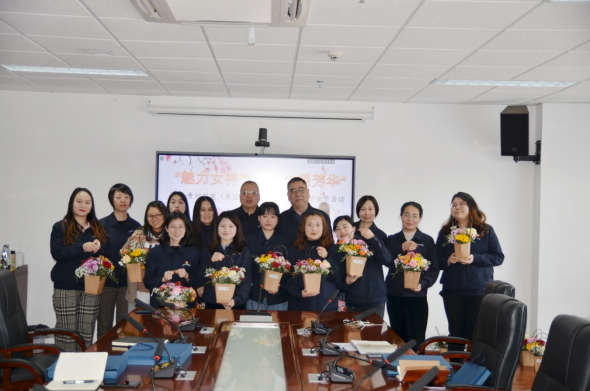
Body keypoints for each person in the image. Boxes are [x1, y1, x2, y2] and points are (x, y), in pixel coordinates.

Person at [436, 192, 504, 350]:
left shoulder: (485, 230)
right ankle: (455, 369)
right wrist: (448, 260)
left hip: (478, 291)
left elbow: (498, 257)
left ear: (471, 206)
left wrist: (476, 258)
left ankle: (474, 372)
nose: (457, 207)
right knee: (455, 334)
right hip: (452, 291)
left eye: (461, 203)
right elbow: (436, 261)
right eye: (454, 204)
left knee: (477, 335)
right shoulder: (446, 232)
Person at [50, 187, 107, 351]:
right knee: (66, 333)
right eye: (79, 201)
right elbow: (57, 253)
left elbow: (105, 255)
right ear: (72, 203)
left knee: (86, 333)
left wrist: (99, 248)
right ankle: (64, 373)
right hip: (65, 287)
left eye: (87, 202)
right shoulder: (60, 227)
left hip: (91, 287)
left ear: (91, 205)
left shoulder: (97, 227)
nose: (83, 205)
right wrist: (81, 247)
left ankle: (85, 372)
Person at [385, 202, 439, 347]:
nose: (410, 219)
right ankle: (397, 369)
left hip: (417, 297)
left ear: (420, 218)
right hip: (395, 296)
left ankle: (415, 368)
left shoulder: (427, 241)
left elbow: (434, 268)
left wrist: (423, 284)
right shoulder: (392, 239)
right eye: (406, 215)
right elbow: (386, 260)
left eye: (415, 216)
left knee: (417, 338)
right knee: (397, 338)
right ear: (401, 216)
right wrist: (400, 248)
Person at [97, 184, 141, 339]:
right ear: (112, 200)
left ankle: (121, 358)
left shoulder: (136, 227)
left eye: (126, 197)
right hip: (105, 284)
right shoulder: (101, 225)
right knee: (104, 326)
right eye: (118, 197)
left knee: (124, 326)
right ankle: (103, 358)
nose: (123, 200)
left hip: (127, 286)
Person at [334, 215, 392, 319]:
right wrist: (346, 281)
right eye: (337, 229)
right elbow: (335, 282)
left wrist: (372, 238)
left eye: (345, 226)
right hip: (351, 304)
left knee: (372, 335)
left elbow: (387, 259)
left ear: (354, 228)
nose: (341, 231)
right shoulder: (336, 251)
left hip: (374, 302)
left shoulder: (367, 243)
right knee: (351, 335)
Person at [285, 211, 342, 311]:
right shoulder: (294, 250)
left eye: (318, 225)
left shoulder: (332, 248)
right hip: (300, 306)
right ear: (303, 227)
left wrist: (327, 257)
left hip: (326, 308)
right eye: (309, 225)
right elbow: (288, 280)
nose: (314, 229)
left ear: (323, 227)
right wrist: (299, 293)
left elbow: (338, 278)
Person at [196, 212, 253, 309]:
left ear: (237, 228)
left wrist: (236, 300)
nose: (226, 230)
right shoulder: (208, 251)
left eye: (231, 226)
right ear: (217, 228)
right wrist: (211, 261)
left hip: (236, 304)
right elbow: (200, 279)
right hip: (212, 303)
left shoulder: (243, 250)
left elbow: (246, 279)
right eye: (223, 226)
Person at [143, 212, 200, 308]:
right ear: (166, 228)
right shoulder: (155, 252)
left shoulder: (193, 252)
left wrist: (187, 276)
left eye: (181, 227)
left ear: (186, 228)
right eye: (173, 227)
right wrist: (162, 279)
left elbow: (199, 281)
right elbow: (147, 282)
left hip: (186, 306)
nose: (177, 230)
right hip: (160, 306)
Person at [124, 201, 169, 312]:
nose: (154, 218)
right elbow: (124, 256)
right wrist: (131, 242)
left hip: (163, 291)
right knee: (136, 327)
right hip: (138, 292)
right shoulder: (139, 233)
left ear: (165, 215)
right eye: (150, 216)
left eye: (158, 215)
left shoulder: (171, 236)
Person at [245, 202, 290, 311]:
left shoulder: (285, 242)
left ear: (278, 219)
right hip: (254, 297)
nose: (268, 220)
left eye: (273, 216)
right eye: (265, 216)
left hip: (278, 298)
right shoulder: (248, 240)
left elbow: (289, 271)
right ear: (259, 218)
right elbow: (245, 268)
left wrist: (280, 286)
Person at [276, 177, 332, 245]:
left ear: (308, 192)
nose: (298, 194)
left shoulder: (323, 216)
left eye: (301, 190)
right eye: (293, 191)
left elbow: (329, 243)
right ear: (288, 196)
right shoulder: (281, 218)